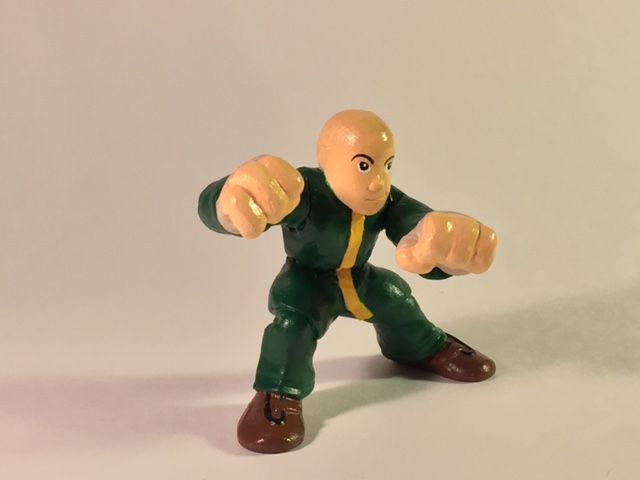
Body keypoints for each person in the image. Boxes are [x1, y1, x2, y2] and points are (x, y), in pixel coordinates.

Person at [198, 109, 498, 453]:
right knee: (292, 326)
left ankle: (419, 346)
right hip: (306, 282)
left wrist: (440, 242)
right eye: (364, 165)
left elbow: (415, 224)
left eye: (387, 165)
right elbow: (247, 204)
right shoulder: (303, 191)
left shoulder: (386, 199)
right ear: (328, 162)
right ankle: (278, 393)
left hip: (359, 277)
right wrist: (228, 201)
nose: (378, 182)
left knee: (395, 298)